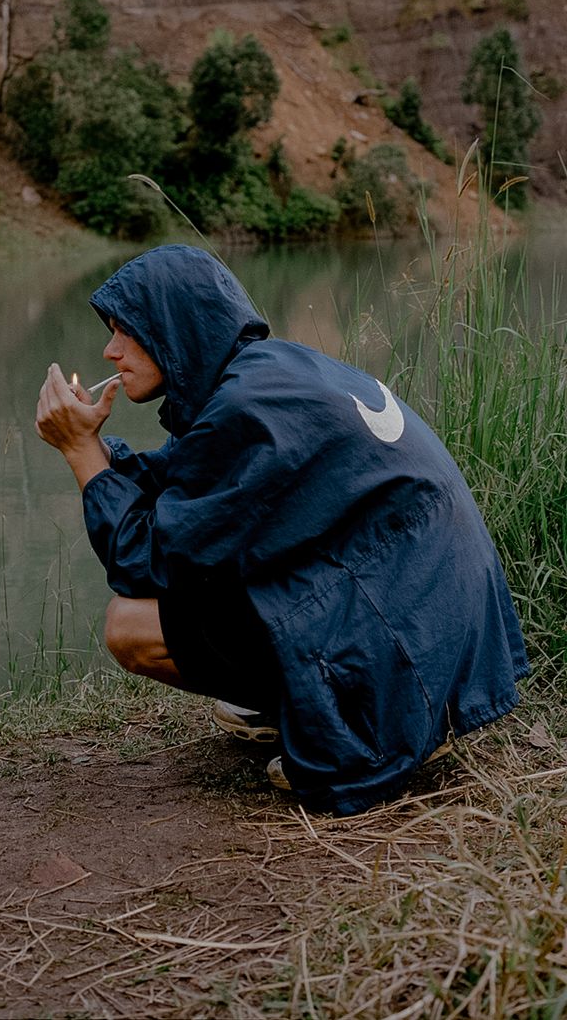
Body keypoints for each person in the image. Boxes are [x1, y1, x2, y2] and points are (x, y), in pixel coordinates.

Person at [35, 244, 528, 816]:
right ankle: (315, 704)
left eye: (126, 330)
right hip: (427, 622)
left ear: (175, 327)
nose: (109, 350)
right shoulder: (267, 377)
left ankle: (369, 727)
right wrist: (96, 446)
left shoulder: (248, 408)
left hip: (409, 641)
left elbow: (146, 559)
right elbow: (186, 485)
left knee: (130, 624)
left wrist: (80, 452)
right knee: (210, 579)